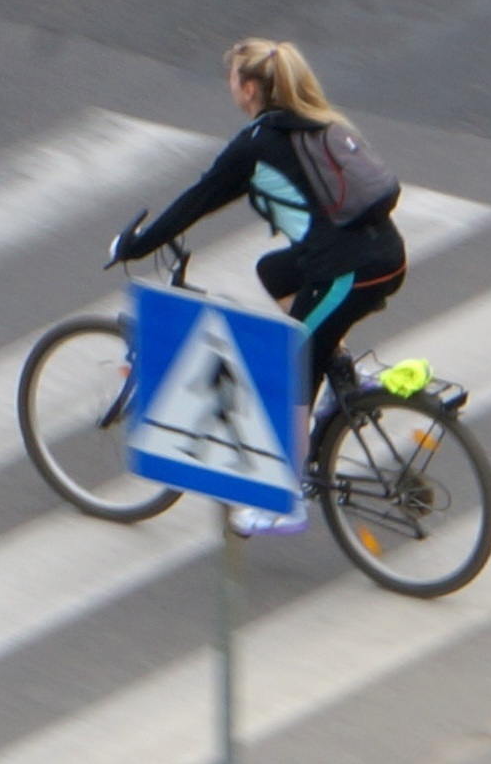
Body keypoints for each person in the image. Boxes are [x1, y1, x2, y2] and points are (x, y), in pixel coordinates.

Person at [114, 39, 406, 537]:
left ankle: (284, 500)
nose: (230, 86)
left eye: (231, 79)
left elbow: (198, 199)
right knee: (276, 271)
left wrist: (138, 245)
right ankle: (339, 376)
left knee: (291, 364)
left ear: (249, 88)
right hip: (379, 255)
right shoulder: (312, 122)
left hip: (348, 272)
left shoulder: (257, 145)